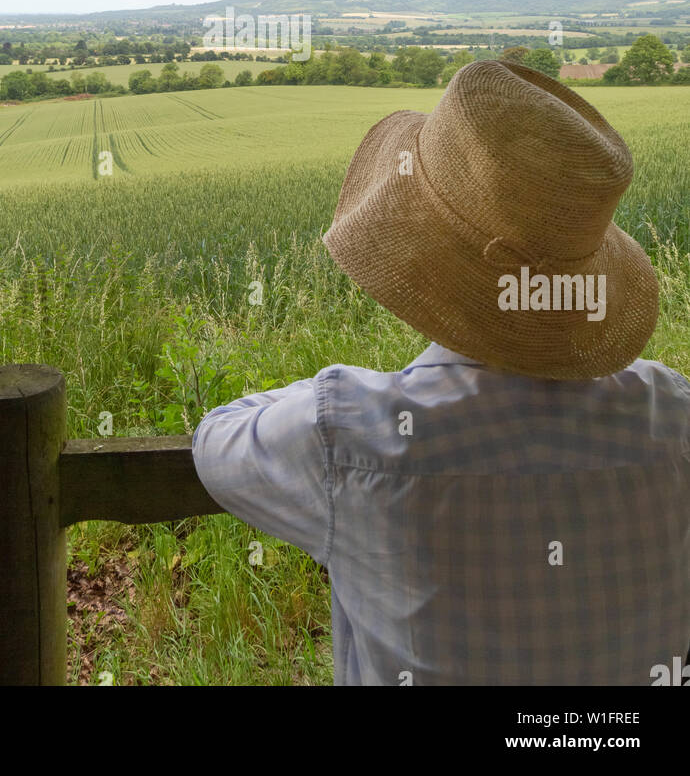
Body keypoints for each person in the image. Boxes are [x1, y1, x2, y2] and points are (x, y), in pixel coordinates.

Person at [191, 60, 690, 686]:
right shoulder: (673, 418)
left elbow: (217, 439)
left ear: (417, 249)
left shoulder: (351, 433)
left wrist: (332, 394)